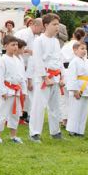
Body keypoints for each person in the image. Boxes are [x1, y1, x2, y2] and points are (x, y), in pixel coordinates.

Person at [28, 13, 65, 142]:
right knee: (39, 106)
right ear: (45, 25)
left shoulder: (55, 41)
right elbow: (37, 60)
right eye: (54, 24)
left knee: (55, 107)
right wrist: (44, 77)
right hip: (44, 77)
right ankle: (34, 133)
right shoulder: (39, 40)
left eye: (58, 25)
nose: (57, 27)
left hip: (55, 76)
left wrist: (62, 76)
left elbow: (59, 60)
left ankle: (55, 132)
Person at [0, 36, 26, 144]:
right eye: (13, 45)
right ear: (6, 46)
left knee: (15, 115)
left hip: (16, 91)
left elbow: (22, 77)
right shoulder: (2, 60)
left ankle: (13, 136)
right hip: (7, 90)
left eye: (16, 45)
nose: (15, 47)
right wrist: (2, 91)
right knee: (2, 113)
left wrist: (23, 91)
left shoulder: (18, 60)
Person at [64, 41, 88, 137]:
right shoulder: (74, 62)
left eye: (85, 49)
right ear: (75, 50)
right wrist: (74, 90)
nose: (84, 51)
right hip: (78, 89)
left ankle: (80, 131)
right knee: (75, 110)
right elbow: (72, 77)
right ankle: (72, 130)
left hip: (87, 88)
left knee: (83, 112)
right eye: (82, 49)